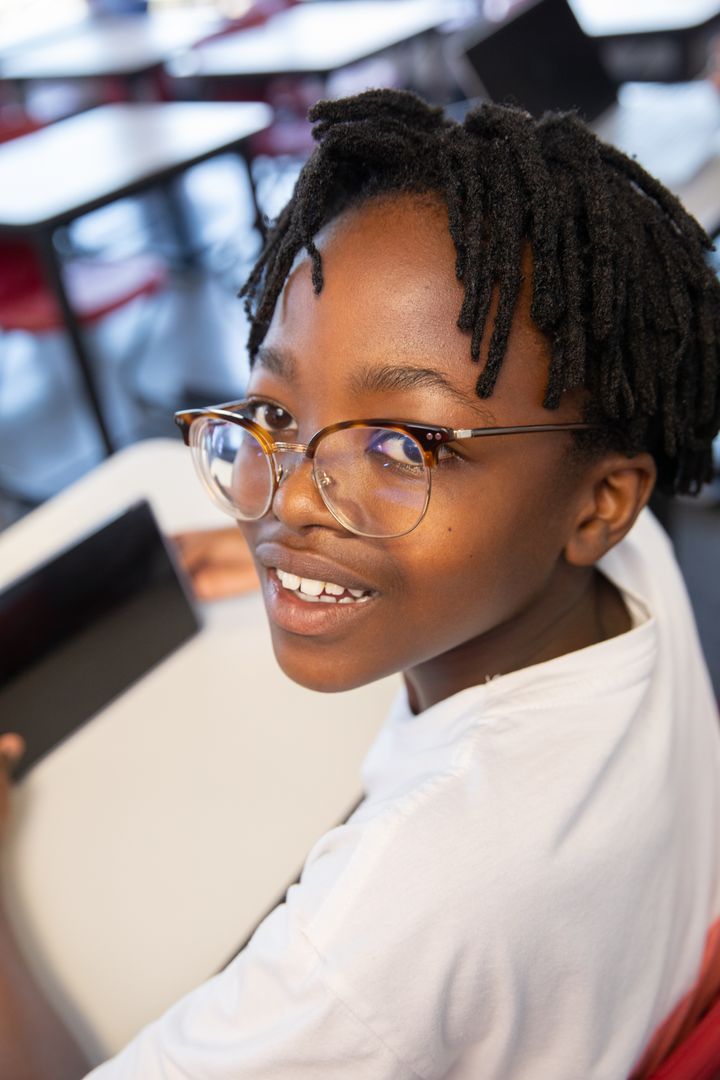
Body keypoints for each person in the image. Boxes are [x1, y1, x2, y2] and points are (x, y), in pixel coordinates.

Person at [2, 88, 720, 1079]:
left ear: (600, 504)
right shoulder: (631, 567)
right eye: (276, 415)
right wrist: (316, 555)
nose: (289, 499)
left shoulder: (360, 959)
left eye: (401, 445)